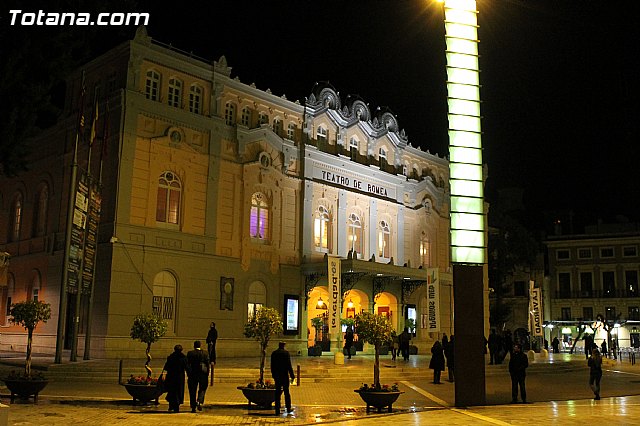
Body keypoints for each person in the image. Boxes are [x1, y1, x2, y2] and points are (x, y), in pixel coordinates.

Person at [271, 341, 295, 415]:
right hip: (284, 375)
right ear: (284, 346)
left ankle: (277, 409)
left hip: (277, 376)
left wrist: (273, 375)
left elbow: (272, 365)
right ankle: (288, 408)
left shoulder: (274, 353)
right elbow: (289, 365)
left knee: (277, 393)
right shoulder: (286, 353)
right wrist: (292, 375)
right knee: (286, 392)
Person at [163, 344, 188, 413]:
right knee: (179, 391)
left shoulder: (171, 357)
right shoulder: (183, 358)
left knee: (172, 391)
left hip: (171, 376)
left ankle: (171, 406)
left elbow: (166, 366)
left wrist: (164, 374)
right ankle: (176, 406)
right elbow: (187, 367)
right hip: (180, 377)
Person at [186, 340, 210, 412]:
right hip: (203, 374)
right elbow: (208, 364)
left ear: (194, 346)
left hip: (193, 374)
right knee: (202, 388)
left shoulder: (190, 353)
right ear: (200, 345)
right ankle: (199, 401)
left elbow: (188, 364)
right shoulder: (205, 353)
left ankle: (193, 406)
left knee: (192, 390)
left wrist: (188, 373)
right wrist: (207, 373)